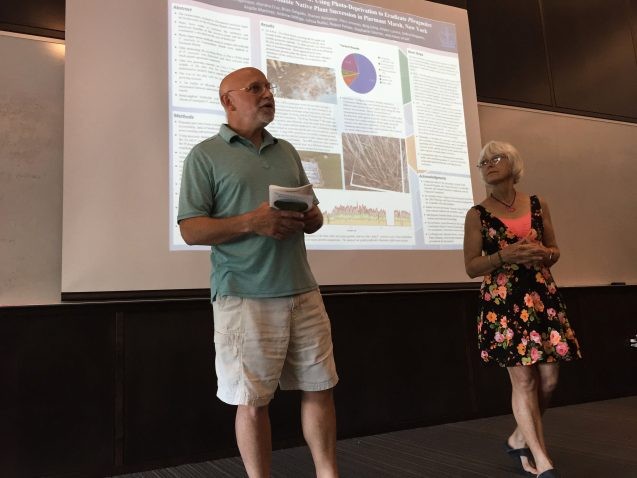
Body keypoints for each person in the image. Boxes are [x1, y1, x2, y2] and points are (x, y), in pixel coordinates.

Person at [177, 67, 339, 478]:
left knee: (320, 388)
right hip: (243, 295)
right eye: (256, 88)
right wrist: (252, 222)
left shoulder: (286, 150)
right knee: (251, 400)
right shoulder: (204, 155)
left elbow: (312, 215)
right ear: (228, 101)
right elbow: (191, 228)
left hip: (302, 290)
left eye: (269, 87)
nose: (267, 94)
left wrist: (313, 217)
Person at [463, 141, 581, 478]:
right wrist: (505, 256)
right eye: (482, 162)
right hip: (504, 304)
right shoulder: (477, 214)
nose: (488, 164)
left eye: (495, 158)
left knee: (549, 378)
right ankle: (543, 462)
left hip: (541, 297)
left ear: (513, 164)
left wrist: (543, 253)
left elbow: (554, 250)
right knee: (524, 381)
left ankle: (518, 437)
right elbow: (471, 266)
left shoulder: (537, 204)